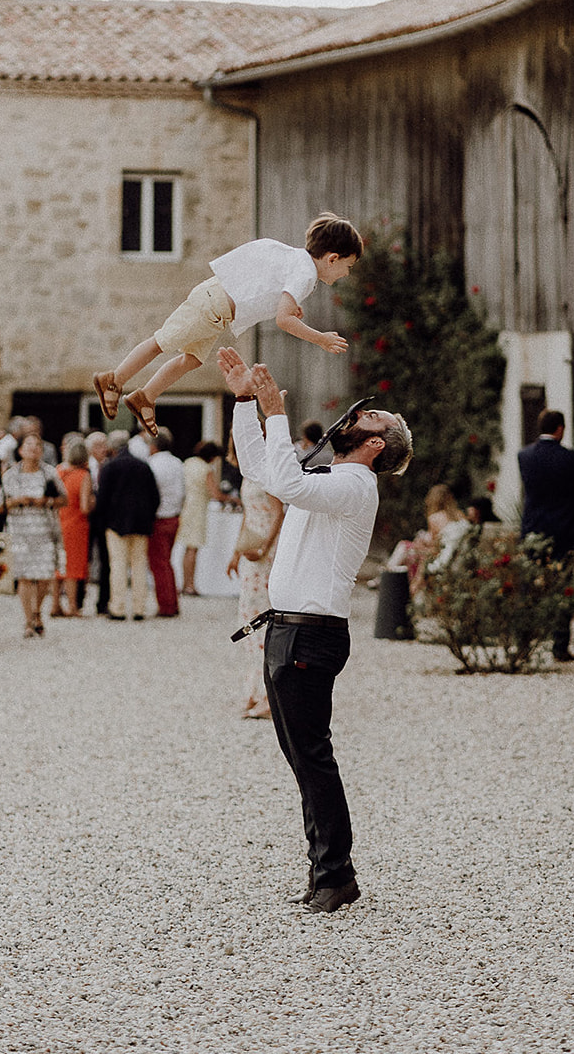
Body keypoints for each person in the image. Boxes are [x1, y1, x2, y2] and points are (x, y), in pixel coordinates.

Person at [219, 346, 412, 915]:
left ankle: (336, 875)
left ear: (376, 445)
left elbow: (287, 479)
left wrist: (275, 410)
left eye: (369, 419)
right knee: (302, 757)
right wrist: (242, 402)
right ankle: (325, 870)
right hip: (287, 629)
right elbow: (261, 468)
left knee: (313, 755)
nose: (355, 417)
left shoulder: (356, 487)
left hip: (312, 633)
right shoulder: (325, 475)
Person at [91, 213, 363, 436]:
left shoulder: (293, 258)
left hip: (215, 307)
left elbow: (264, 280)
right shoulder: (305, 274)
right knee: (161, 342)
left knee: (192, 359)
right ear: (332, 258)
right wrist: (321, 338)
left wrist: (284, 303)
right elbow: (283, 320)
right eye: (348, 266)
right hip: (212, 306)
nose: (346, 273)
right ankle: (114, 380)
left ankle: (145, 397)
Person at [518, 410, 574, 663]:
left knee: (528, 585)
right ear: (560, 429)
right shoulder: (571, 458)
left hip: (535, 527)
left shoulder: (524, 456)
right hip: (565, 527)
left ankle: (523, 644)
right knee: (563, 586)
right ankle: (560, 645)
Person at [226, 439, 285, 719]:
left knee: (264, 617)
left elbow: (278, 513)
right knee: (249, 615)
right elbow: (247, 516)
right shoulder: (249, 473)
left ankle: (269, 695)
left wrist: (265, 547)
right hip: (252, 547)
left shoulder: (268, 471)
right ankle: (254, 689)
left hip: (267, 550)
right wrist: (236, 552)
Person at [0, 433, 67, 638]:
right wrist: (17, 501)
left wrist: (45, 502)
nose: (34, 449)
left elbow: (64, 499)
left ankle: (37, 612)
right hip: (20, 532)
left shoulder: (49, 473)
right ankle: (28, 620)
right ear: (20, 451)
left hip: (44, 531)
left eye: (38, 445)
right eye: (29, 445)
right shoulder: (10, 475)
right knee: (25, 576)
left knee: (44, 575)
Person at [93, 429, 160, 620]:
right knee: (139, 565)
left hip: (115, 523)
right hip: (141, 523)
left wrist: (103, 520)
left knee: (118, 565)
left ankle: (118, 607)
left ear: (112, 448)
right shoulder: (143, 466)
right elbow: (154, 497)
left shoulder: (110, 467)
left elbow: (102, 498)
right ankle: (139, 608)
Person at [148, 428, 186, 617]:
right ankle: (172, 602)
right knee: (166, 562)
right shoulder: (177, 463)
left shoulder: (153, 464)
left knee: (159, 564)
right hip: (174, 516)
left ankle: (167, 605)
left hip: (160, 517)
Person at [55, 436, 95, 615]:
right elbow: (85, 507)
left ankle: (55, 605)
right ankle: (72, 606)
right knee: (72, 567)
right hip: (76, 525)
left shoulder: (58, 471)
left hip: (58, 522)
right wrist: (94, 501)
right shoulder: (83, 475)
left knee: (58, 566)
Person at [178, 440, 223, 597]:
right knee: (193, 548)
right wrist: (231, 499)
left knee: (187, 548)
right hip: (198, 509)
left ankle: (185, 583)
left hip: (186, 506)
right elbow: (215, 494)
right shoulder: (206, 469)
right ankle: (190, 585)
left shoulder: (189, 463)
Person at [85, 430, 112, 615]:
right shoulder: (86, 466)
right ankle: (78, 598)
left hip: (105, 517)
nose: (103, 449)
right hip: (87, 517)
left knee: (106, 560)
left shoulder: (110, 466)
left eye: (104, 445)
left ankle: (103, 602)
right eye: (98, 446)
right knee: (84, 558)